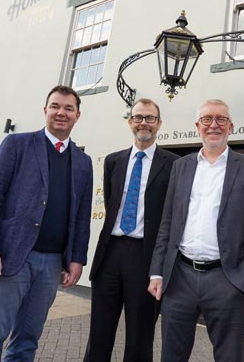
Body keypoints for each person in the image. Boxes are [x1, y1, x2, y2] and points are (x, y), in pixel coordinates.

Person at [0, 85, 93, 362]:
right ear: (45, 110)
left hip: (51, 265)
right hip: (11, 257)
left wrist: (77, 259)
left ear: (77, 115)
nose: (61, 112)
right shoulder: (17, 145)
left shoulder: (83, 162)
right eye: (55, 106)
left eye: (68, 108)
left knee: (27, 341)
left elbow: (82, 215)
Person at [148, 99, 244, 362]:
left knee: (229, 356)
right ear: (198, 126)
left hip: (226, 278)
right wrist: (158, 271)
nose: (213, 125)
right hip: (179, 277)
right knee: (172, 355)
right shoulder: (181, 167)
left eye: (220, 119)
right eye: (207, 119)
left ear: (230, 127)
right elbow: (167, 222)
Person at [84, 98, 178, 361]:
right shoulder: (113, 161)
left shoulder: (173, 164)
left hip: (146, 258)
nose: (143, 123)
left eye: (150, 118)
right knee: (99, 332)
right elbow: (112, 203)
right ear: (130, 122)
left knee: (140, 335)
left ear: (159, 123)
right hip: (110, 255)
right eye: (138, 117)